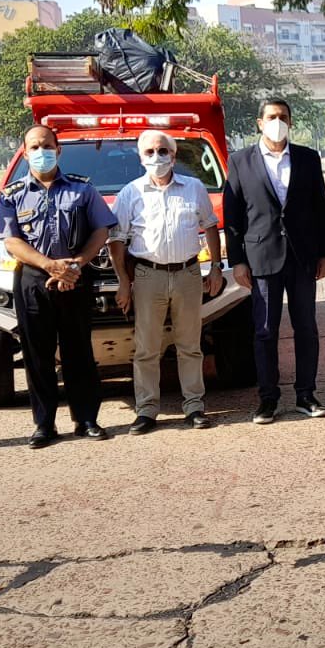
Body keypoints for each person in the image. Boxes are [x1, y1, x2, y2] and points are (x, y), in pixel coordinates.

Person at [0, 124, 118, 448]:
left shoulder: (82, 189)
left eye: (47, 146)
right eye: (34, 147)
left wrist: (77, 264)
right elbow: (11, 241)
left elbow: (102, 230)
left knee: (79, 352)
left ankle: (86, 419)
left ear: (58, 149)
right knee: (37, 355)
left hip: (76, 277)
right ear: (24, 153)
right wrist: (50, 266)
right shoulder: (11, 194)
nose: (41, 152)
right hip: (34, 280)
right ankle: (44, 424)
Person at [224, 98, 325, 422]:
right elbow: (233, 215)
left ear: (291, 121)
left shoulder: (308, 158)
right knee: (265, 331)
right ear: (260, 122)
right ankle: (268, 398)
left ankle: (306, 394)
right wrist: (237, 261)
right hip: (261, 258)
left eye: (283, 116)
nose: (277, 122)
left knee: (306, 329)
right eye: (271, 116)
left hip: (302, 258)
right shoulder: (240, 161)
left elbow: (320, 208)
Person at [109, 129, 225, 433]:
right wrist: (123, 281)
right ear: (140, 157)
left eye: (163, 151)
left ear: (174, 156)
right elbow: (116, 240)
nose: (157, 157)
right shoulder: (130, 193)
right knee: (146, 348)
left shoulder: (193, 187)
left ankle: (194, 406)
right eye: (150, 152)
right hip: (148, 277)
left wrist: (215, 267)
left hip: (188, 274)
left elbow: (210, 226)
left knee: (190, 345)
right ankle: (146, 410)